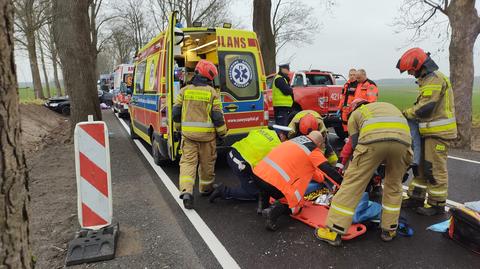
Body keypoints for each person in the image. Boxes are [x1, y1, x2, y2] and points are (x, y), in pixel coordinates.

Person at [316, 100, 412, 246]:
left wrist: (361, 168)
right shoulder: (389, 107)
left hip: (372, 143)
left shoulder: (356, 114)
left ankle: (334, 231)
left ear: (354, 108)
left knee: (352, 185)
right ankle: (390, 229)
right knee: (394, 186)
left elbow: (355, 145)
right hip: (403, 144)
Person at [397, 48, 457, 216]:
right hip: (428, 132)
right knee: (420, 168)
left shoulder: (434, 79)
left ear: (418, 65)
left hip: (438, 133)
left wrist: (405, 113)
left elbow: (426, 107)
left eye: (410, 70)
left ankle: (437, 203)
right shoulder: (427, 79)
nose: (409, 73)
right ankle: (416, 197)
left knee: (434, 168)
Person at [253, 131, 344, 231]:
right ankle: (271, 212)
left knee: (267, 183)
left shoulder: (293, 141)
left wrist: (321, 178)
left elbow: (309, 169)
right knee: (295, 207)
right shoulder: (312, 150)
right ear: (319, 144)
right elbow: (328, 170)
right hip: (274, 183)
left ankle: (262, 206)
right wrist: (343, 184)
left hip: (258, 174)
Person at [173, 60, 227, 209]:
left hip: (188, 137)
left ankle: (186, 191)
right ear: (209, 77)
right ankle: (205, 188)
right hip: (207, 138)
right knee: (207, 164)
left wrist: (178, 129)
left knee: (187, 163)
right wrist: (222, 134)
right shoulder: (212, 93)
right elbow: (217, 116)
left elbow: (176, 112)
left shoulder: (184, 91)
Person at [208, 128, 281, 213]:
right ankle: (223, 191)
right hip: (240, 163)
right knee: (255, 193)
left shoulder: (265, 130)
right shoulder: (278, 146)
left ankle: (247, 184)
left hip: (233, 152)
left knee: (257, 183)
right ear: (282, 136)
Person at [337, 68, 358, 132]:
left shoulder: (358, 85)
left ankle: (352, 139)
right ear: (348, 75)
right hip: (345, 109)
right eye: (351, 75)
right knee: (344, 123)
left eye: (354, 75)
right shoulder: (346, 84)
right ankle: (347, 137)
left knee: (353, 124)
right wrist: (339, 108)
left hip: (353, 109)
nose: (352, 76)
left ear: (356, 75)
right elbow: (343, 97)